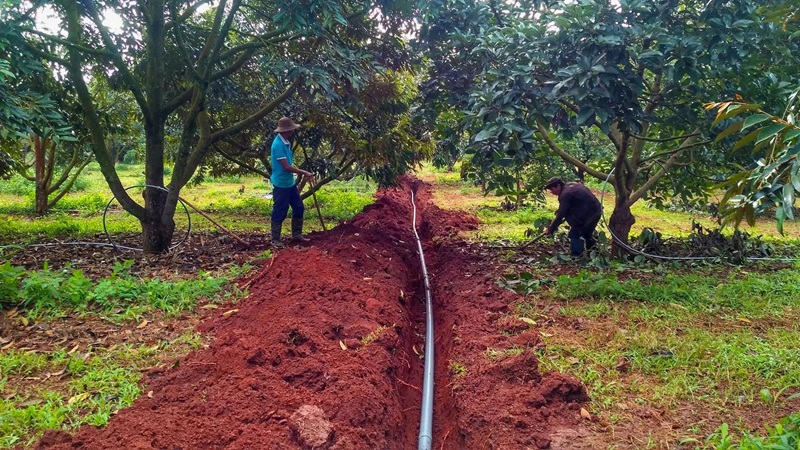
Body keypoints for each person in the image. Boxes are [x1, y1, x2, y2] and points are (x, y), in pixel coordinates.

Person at [269, 116, 314, 246]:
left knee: (299, 207)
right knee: (280, 210)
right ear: (285, 131)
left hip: (289, 182)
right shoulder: (278, 145)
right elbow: (286, 167)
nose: (292, 132)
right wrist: (304, 172)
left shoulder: (286, 142)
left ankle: (297, 235)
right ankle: (275, 240)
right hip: (281, 183)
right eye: (290, 130)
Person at [543, 177, 602, 256]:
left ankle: (576, 256)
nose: (552, 192)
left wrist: (551, 228)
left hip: (589, 214)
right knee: (587, 234)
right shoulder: (572, 185)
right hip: (596, 210)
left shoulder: (565, 194)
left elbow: (561, 213)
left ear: (558, 186)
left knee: (575, 234)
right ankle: (593, 254)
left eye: (552, 189)